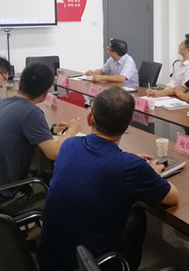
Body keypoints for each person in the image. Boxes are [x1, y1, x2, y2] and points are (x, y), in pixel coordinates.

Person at [38, 86, 179, 271]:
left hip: (49, 260)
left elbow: (99, 162)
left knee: (133, 214)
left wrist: (132, 163)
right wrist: (148, 171)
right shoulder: (130, 167)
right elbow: (173, 197)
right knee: (135, 214)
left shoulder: (69, 145)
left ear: (90, 118)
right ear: (128, 125)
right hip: (90, 264)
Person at [0, 63, 80, 215]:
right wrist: (72, 130)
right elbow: (54, 153)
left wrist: (50, 131)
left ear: (19, 83)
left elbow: (17, 131)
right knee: (72, 192)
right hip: (8, 196)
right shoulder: (31, 112)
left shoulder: (2, 102)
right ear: (46, 94)